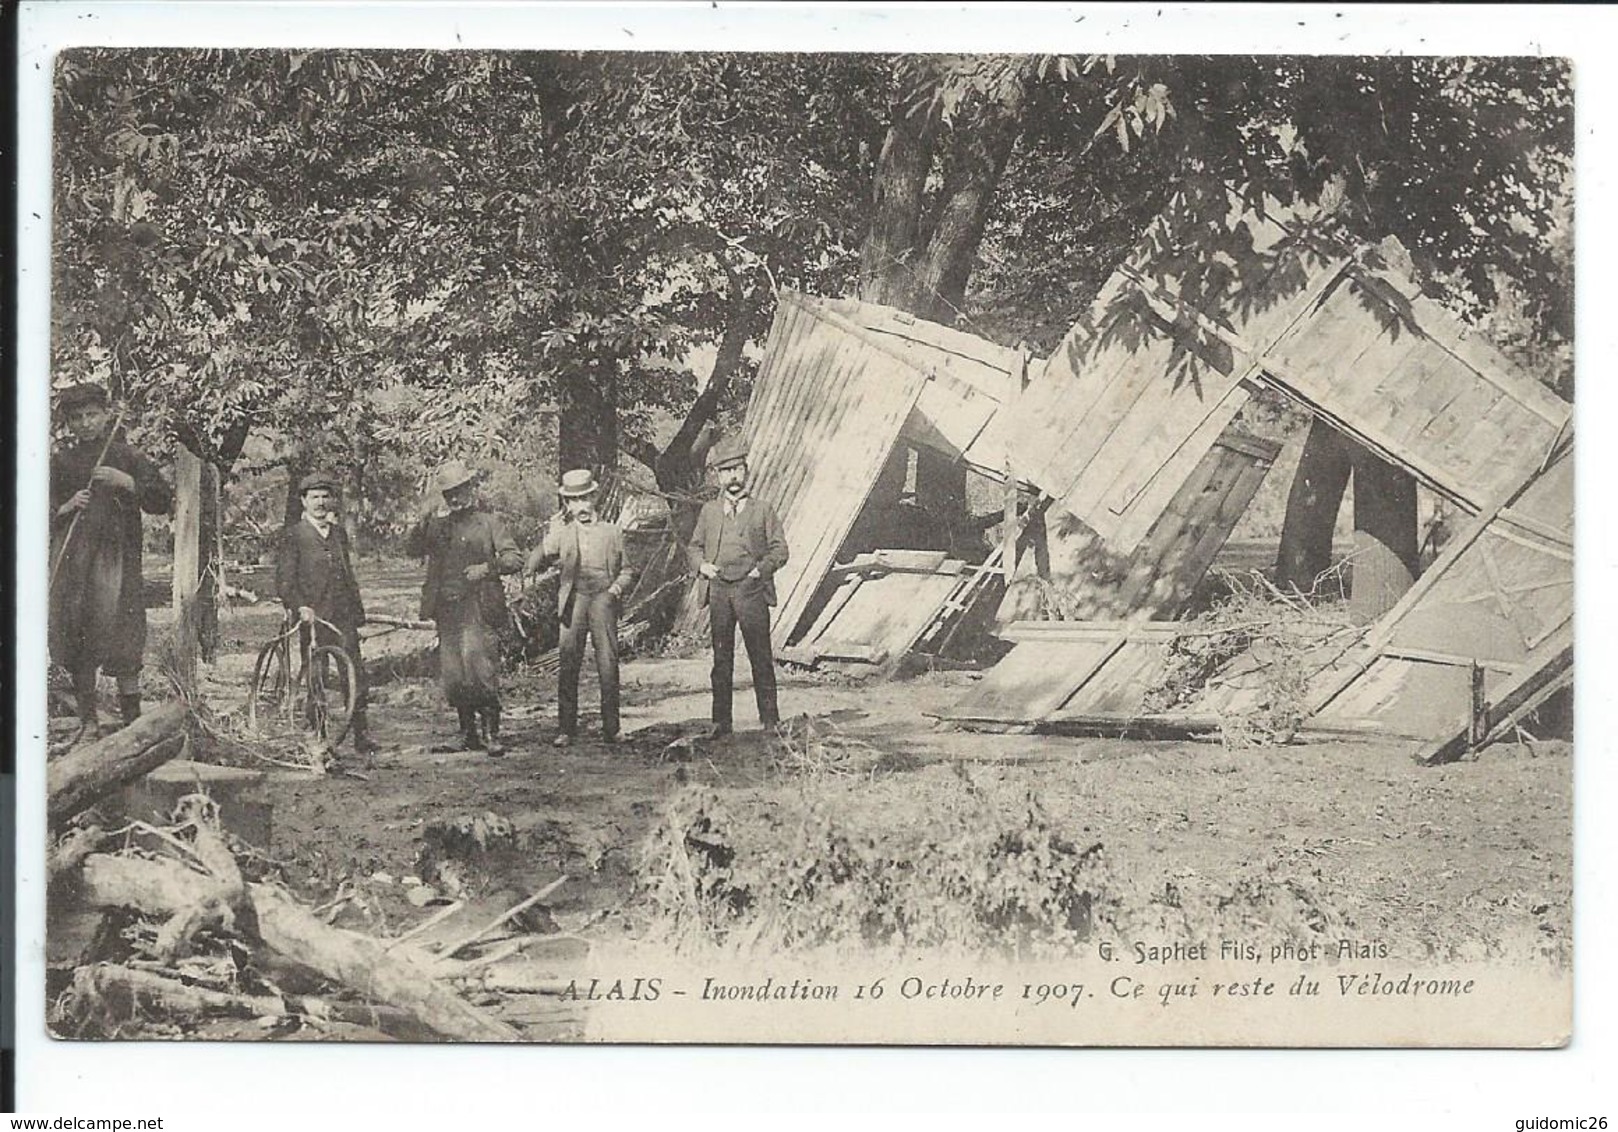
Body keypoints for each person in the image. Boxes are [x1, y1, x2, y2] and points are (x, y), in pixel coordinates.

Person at [49, 383, 174, 738]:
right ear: (69, 424)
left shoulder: (127, 457)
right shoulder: (60, 462)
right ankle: (89, 721)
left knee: (125, 633)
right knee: (78, 632)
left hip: (120, 560)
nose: (86, 423)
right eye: (77, 418)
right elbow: (32, 511)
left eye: (92, 415)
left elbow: (161, 500)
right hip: (75, 562)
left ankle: (132, 721)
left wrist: (128, 482)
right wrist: (66, 505)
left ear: (105, 416)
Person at [407, 460, 521, 756]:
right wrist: (422, 520)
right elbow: (412, 549)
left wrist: (486, 568)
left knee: (480, 669)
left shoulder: (489, 522)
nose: (455, 498)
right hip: (447, 609)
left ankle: (491, 734)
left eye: (460, 490)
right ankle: (468, 733)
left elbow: (514, 559)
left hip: (479, 607)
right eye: (449, 494)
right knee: (454, 674)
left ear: (471, 489)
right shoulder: (437, 526)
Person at [687, 437, 789, 736]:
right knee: (721, 659)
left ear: (746, 472)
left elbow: (780, 550)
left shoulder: (763, 511)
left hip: (751, 590)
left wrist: (761, 571)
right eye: (726, 471)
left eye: (737, 470)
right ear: (718, 477)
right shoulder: (709, 511)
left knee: (760, 655)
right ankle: (721, 722)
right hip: (719, 590)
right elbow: (694, 547)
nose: (732, 477)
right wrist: (702, 566)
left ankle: (770, 721)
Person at [526, 469, 635, 747]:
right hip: (573, 601)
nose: (581, 507)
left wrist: (615, 590)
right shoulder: (562, 533)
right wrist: (547, 538)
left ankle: (612, 728)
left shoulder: (612, 532)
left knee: (608, 663)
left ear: (595, 497)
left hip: (603, 599)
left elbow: (628, 570)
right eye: (573, 501)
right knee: (568, 661)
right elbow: (534, 562)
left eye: (585, 499)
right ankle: (566, 729)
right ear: (567, 504)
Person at [275, 470, 378, 755]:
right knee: (316, 676)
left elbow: (348, 574)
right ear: (304, 501)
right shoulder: (294, 536)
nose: (320, 502)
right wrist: (299, 607)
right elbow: (284, 582)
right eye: (314, 497)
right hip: (313, 618)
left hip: (342, 616)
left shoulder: (338, 534)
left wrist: (358, 613)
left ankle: (360, 733)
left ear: (332, 500)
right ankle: (318, 735)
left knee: (354, 673)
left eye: (325, 497)